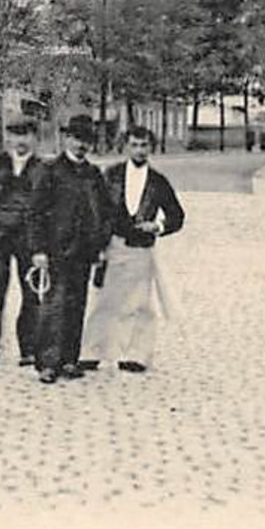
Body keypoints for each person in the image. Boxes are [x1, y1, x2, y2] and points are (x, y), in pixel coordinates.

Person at [91, 125, 185, 375]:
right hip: (114, 244)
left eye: (144, 145)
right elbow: (97, 211)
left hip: (142, 248)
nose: (139, 150)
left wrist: (158, 225)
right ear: (126, 147)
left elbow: (177, 216)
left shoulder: (158, 181)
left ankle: (136, 354)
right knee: (105, 299)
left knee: (139, 303)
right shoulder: (110, 175)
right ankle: (93, 351)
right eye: (134, 145)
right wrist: (98, 245)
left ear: (150, 148)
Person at [28, 114, 114, 384]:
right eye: (77, 138)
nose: (81, 145)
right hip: (55, 251)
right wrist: (38, 250)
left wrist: (101, 245)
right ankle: (47, 363)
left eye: (86, 140)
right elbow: (36, 213)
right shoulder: (51, 170)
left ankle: (68, 360)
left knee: (77, 306)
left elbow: (104, 213)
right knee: (54, 306)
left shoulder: (93, 174)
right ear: (66, 138)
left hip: (84, 252)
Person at [0, 118, 46, 367]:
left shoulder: (42, 168)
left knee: (31, 294)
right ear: (8, 139)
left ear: (34, 138)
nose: (21, 141)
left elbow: (48, 208)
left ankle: (29, 348)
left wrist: (42, 246)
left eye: (26, 135)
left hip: (29, 240)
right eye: (16, 135)